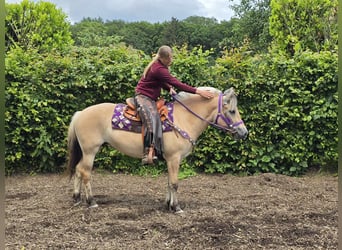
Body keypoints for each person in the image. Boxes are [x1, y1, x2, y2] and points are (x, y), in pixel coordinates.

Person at [134, 45, 214, 165]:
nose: (171, 60)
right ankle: (147, 153)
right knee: (152, 119)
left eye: (172, 57)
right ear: (163, 58)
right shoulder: (159, 69)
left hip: (151, 98)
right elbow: (178, 84)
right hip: (143, 97)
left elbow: (160, 81)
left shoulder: (160, 66)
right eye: (169, 58)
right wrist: (198, 91)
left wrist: (168, 88)